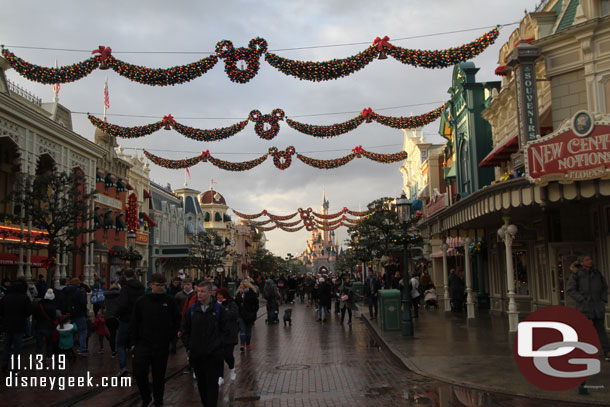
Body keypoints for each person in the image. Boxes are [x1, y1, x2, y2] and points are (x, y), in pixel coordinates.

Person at [130, 273, 180, 407]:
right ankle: (146, 396)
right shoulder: (141, 301)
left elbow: (177, 320)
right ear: (151, 285)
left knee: (159, 375)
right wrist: (133, 342)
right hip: (143, 343)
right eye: (158, 285)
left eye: (162, 285)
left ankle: (158, 400)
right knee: (140, 373)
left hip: (161, 344)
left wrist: (170, 336)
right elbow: (134, 322)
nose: (160, 288)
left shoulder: (169, 301)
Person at [181, 281, 229, 407]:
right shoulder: (192, 310)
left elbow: (226, 331)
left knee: (212, 385)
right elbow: (185, 330)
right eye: (198, 292)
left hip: (213, 355)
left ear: (209, 293)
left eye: (202, 291)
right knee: (201, 385)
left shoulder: (219, 310)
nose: (199, 294)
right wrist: (189, 345)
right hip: (197, 355)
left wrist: (218, 346)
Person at [567, 255, 610, 364]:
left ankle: (607, 351)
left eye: (590, 259)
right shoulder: (576, 275)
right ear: (581, 263)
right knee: (583, 331)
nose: (590, 261)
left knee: (601, 330)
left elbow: (605, 287)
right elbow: (570, 290)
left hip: (597, 306)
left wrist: (603, 299)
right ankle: (582, 352)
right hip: (584, 308)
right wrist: (581, 299)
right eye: (587, 260)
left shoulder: (597, 274)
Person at [115, 269, 145, 376]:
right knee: (136, 344)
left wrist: (117, 314)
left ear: (125, 276)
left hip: (126, 319)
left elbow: (122, 304)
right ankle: (137, 368)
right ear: (135, 275)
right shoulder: (141, 288)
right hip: (138, 320)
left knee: (120, 345)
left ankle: (123, 367)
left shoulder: (125, 288)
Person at [0, 279, 32, 372]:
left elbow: (1, 311)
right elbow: (28, 312)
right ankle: (15, 367)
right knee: (17, 348)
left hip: (7, 325)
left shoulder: (6, 297)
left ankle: (5, 364)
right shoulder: (24, 298)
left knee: (7, 346)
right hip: (19, 325)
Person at [216, 287, 239, 385]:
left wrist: (221, 312)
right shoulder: (214, 305)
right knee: (219, 356)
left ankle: (232, 368)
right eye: (218, 295)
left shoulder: (231, 304)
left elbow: (233, 315)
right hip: (218, 335)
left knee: (228, 355)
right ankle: (220, 376)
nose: (219, 296)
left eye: (221, 295)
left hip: (230, 334)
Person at [63, 277, 89, 355]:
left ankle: (68, 347)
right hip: (79, 314)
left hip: (68, 314)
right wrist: (84, 312)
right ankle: (82, 348)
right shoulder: (79, 291)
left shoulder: (65, 291)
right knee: (83, 331)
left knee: (70, 331)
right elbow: (83, 303)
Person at [33, 288, 58, 359]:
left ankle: (37, 359)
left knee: (39, 344)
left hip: (39, 326)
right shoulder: (52, 306)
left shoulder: (38, 305)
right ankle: (48, 358)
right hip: (48, 327)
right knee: (49, 343)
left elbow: (35, 316)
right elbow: (53, 317)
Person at [235, 280, 259, 351]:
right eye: (240, 285)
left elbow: (256, 304)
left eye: (242, 285)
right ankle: (242, 344)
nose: (241, 286)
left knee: (248, 331)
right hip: (241, 315)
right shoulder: (238, 294)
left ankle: (248, 344)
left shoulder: (252, 293)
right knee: (242, 330)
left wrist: (253, 311)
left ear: (246, 286)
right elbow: (236, 303)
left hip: (249, 315)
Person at [103, 282, 121, 357]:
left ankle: (113, 351)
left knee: (112, 334)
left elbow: (104, 305)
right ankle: (121, 349)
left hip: (108, 317)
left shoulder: (106, 296)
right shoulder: (120, 295)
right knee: (120, 333)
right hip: (117, 316)